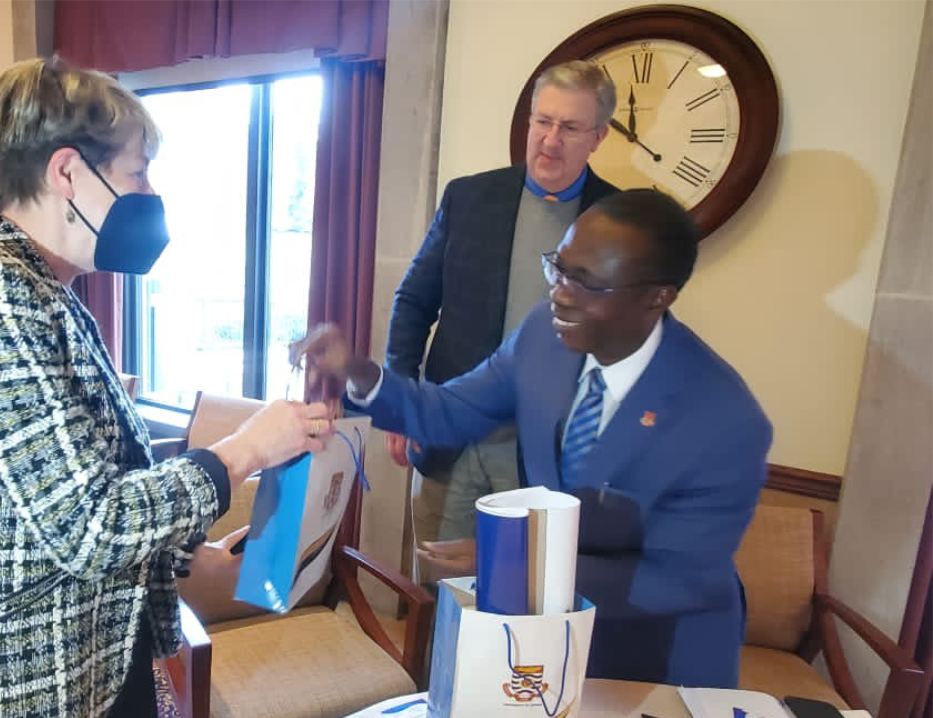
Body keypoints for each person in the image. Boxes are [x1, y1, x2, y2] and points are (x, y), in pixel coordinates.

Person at [0, 57, 334, 718]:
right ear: (68, 173)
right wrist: (244, 452)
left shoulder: (47, 296)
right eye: (138, 171)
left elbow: (87, 484)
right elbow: (90, 526)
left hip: (92, 653)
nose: (149, 192)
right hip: (18, 681)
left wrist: (185, 547)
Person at [296, 189, 771, 687]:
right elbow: (451, 411)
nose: (560, 293)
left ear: (658, 296)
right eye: (559, 268)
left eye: (587, 283)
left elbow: (678, 578)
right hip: (548, 643)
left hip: (657, 653)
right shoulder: (543, 337)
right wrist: (358, 371)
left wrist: (520, 561)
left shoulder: (725, 418)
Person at [386, 60, 619, 559]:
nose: (550, 140)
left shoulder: (619, 220)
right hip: (453, 440)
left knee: (527, 603)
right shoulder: (470, 197)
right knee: (440, 597)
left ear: (598, 137)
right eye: (543, 121)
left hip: (549, 459)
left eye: (570, 127)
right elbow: (413, 301)